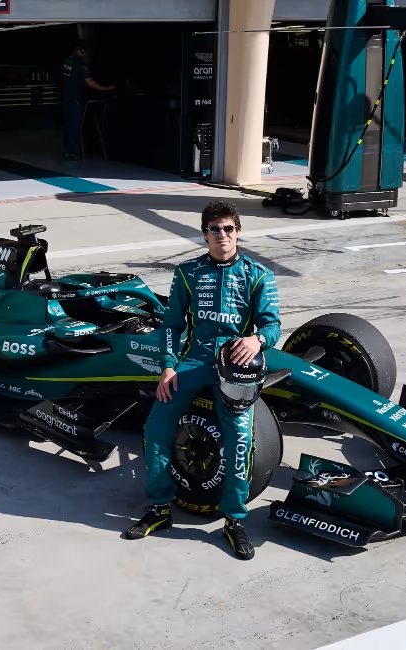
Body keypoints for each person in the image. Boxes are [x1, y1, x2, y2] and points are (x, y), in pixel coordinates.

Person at [123, 200, 281, 560]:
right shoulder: (187, 273)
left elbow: (273, 326)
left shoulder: (258, 275)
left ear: (238, 231)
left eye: (228, 228)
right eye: (214, 229)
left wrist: (257, 339)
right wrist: (167, 366)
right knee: (155, 429)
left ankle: (234, 521)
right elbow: (172, 325)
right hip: (192, 363)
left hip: (234, 371)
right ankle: (159, 509)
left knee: (240, 441)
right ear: (205, 233)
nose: (221, 235)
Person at [62, 43, 116, 160]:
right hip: (76, 99)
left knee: (67, 125)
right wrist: (105, 88)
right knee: (74, 126)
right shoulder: (80, 65)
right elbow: (90, 82)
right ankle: (71, 151)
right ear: (80, 50)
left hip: (66, 98)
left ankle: (67, 149)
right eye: (84, 51)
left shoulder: (66, 61)